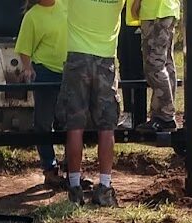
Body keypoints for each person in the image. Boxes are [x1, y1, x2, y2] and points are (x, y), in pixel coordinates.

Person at [57, 0, 126, 207]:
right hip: (106, 60)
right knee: (107, 128)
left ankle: (75, 187)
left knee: (75, 127)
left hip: (77, 59)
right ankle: (104, 188)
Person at [15, 0, 68, 188]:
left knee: (70, 121)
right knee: (43, 123)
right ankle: (49, 169)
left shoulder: (66, 5)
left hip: (69, 71)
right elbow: (24, 48)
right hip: (45, 71)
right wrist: (27, 67)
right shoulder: (32, 17)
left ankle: (71, 168)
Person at [132, 0, 180, 132]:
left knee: (154, 65)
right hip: (167, 9)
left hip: (155, 11)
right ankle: (163, 114)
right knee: (166, 64)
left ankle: (165, 116)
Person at [117, 6, 144, 130]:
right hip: (119, 13)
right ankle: (128, 112)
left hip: (136, 15)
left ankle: (139, 116)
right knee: (124, 62)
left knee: (136, 65)